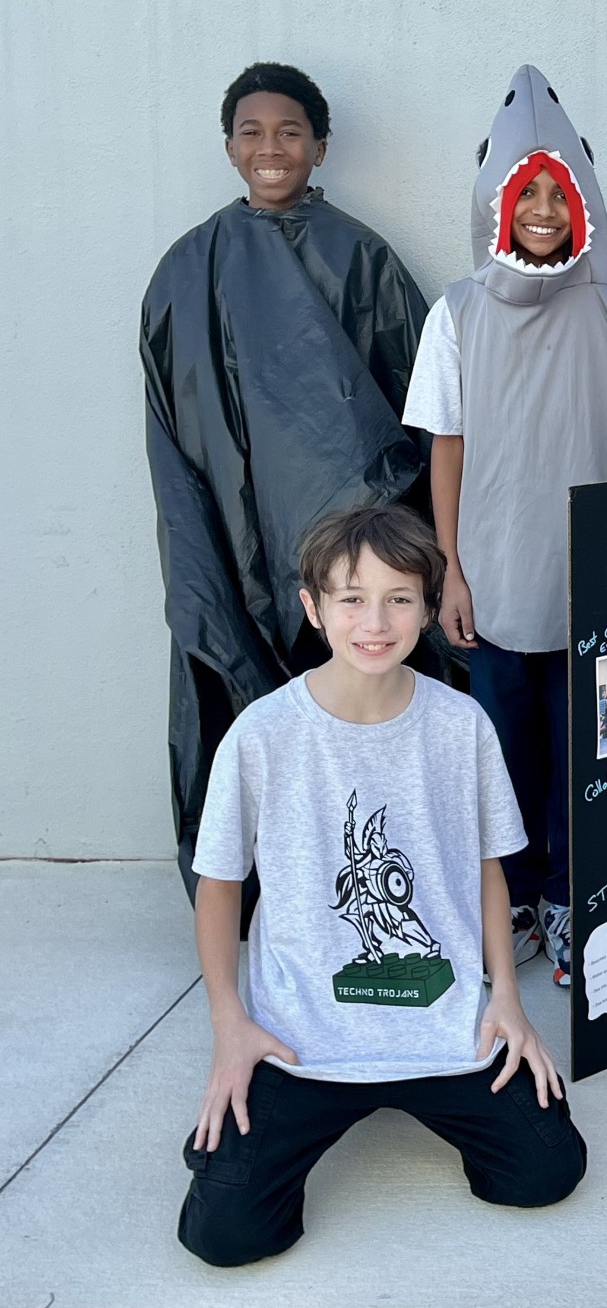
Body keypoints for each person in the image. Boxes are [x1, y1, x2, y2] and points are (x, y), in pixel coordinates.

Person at [178, 505, 583, 1268]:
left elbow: (490, 867)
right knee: (224, 1232)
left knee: (544, 1169)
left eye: (399, 597)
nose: (376, 619)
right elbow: (220, 884)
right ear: (313, 607)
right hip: (302, 1039)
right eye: (351, 597)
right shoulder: (263, 734)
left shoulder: (461, 724)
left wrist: (505, 997)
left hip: (443, 1029)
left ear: (429, 608)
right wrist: (230, 1025)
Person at [404, 66, 607, 987]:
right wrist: (451, 568)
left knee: (580, 750)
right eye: (530, 194)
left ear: (584, 204)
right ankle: (509, 898)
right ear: (501, 204)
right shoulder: (459, 312)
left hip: (588, 573)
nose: (547, 209)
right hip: (493, 572)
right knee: (503, 748)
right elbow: (448, 445)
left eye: (562, 193)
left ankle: (569, 898)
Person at [142, 62, 430, 896]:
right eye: (252, 132)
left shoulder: (362, 257)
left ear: (321, 145)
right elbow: (175, 430)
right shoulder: (185, 271)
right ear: (229, 145)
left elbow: (416, 408)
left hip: (348, 549)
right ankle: (261, 897)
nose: (271, 149)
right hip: (231, 543)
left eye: (290, 132)